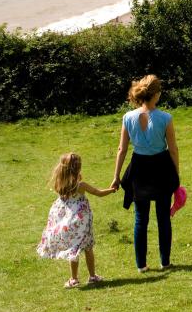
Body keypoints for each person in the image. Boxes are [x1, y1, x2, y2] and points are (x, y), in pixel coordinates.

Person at [112, 75, 180, 273]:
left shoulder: (128, 117)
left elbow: (121, 149)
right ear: (156, 94)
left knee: (140, 218)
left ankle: (141, 265)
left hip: (139, 168)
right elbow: (173, 149)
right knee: (163, 218)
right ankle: (165, 262)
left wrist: (116, 176)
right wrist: (176, 174)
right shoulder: (165, 118)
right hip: (161, 167)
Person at [37, 152, 116, 288]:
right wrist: (112, 190)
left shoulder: (60, 185)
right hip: (82, 222)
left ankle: (74, 278)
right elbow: (98, 193)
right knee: (88, 248)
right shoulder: (80, 185)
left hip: (69, 223)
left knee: (74, 249)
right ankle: (92, 276)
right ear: (77, 168)